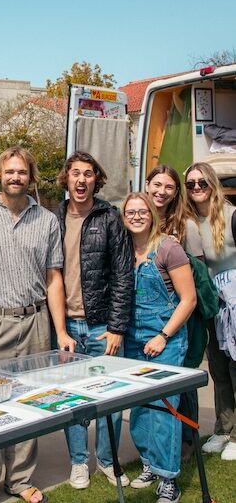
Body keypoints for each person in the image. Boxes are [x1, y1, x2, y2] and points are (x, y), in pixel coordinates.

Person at [0, 146, 64, 503]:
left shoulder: (47, 221)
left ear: (31, 176)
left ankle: (20, 480)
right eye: (10, 171)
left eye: (22, 172)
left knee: (28, 403)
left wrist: (60, 330)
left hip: (34, 322)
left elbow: (53, 278)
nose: (15, 177)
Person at [54, 152, 133, 489]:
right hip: (68, 328)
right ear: (67, 178)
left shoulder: (109, 218)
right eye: (75, 173)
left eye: (88, 174)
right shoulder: (54, 218)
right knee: (71, 398)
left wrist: (116, 327)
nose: (82, 179)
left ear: (96, 180)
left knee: (110, 398)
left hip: (102, 327)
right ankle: (78, 462)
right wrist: (58, 328)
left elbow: (123, 275)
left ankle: (107, 459)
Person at [121, 192, 196, 502]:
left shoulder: (168, 249)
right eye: (130, 212)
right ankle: (150, 463)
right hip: (133, 339)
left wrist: (163, 335)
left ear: (152, 213)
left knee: (164, 408)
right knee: (139, 408)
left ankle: (168, 479)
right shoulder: (124, 248)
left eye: (142, 211)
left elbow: (188, 299)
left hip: (166, 339)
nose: (136, 216)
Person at [145, 164, 218, 461]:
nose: (161, 191)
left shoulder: (185, 225)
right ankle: (157, 439)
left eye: (169, 187)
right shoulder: (138, 216)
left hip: (182, 315)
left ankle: (187, 439)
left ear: (176, 193)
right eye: (157, 185)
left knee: (183, 377)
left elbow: (199, 274)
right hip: (147, 314)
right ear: (147, 185)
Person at [183, 162, 236, 461]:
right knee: (218, 369)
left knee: (235, 367)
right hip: (212, 306)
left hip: (235, 305)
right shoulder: (188, 221)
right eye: (191, 184)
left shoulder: (232, 216)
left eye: (202, 182)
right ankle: (223, 428)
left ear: (212, 184)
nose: (197, 188)